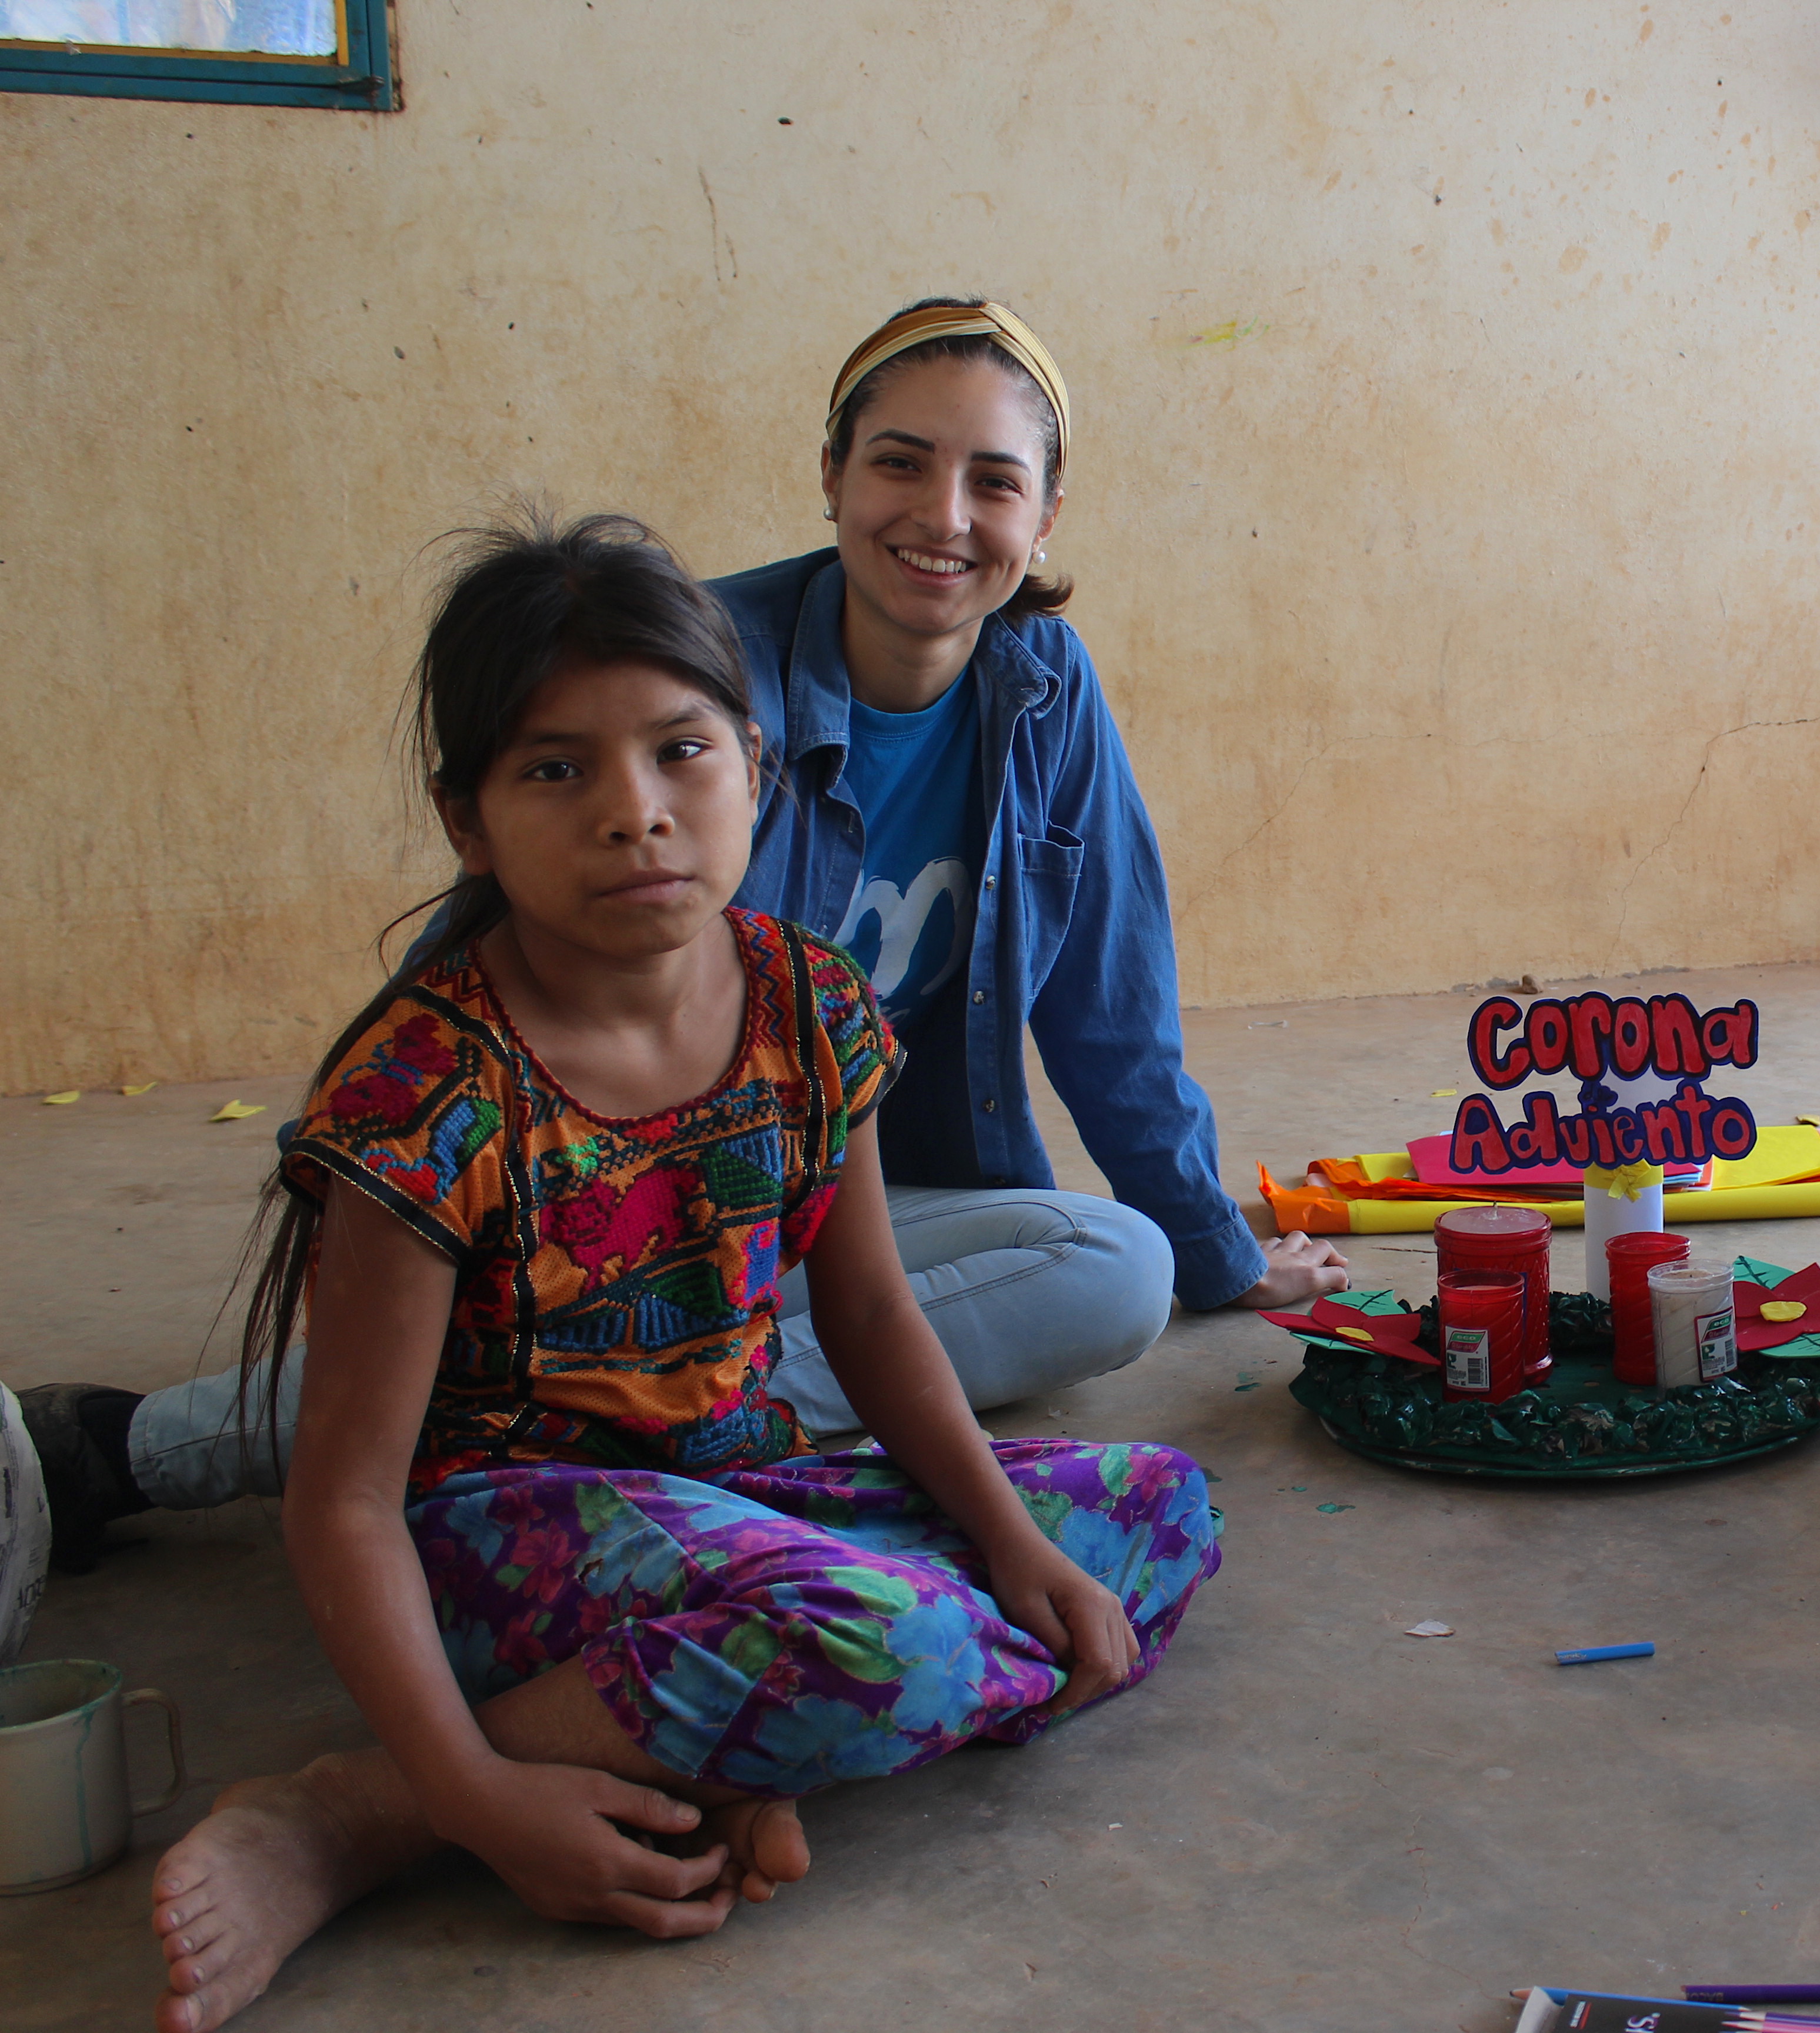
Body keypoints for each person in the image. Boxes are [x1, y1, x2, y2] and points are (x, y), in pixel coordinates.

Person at [26, 297, 1346, 1566]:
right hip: (586, 1197)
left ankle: (616, 1429)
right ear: (830, 473)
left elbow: (1114, 1008)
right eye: (900, 463)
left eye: (995, 482)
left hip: (816, 1211)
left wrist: (1218, 1257)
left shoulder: (1046, 686)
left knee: (1117, 1269)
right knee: (538, 1329)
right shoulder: (696, 677)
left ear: (1046, 514)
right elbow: (494, 979)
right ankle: (140, 1450)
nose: (943, 518)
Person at [147, 516, 1221, 2033]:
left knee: (1152, 1520)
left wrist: (1009, 1537)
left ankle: (715, 1749)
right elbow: (344, 1501)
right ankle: (368, 1813)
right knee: (893, 1642)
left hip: (742, 1491)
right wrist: (463, 1793)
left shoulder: (802, 996)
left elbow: (863, 1313)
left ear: (757, 768)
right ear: (469, 822)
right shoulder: (427, 1088)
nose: (634, 814)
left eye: (681, 752)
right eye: (556, 769)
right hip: (508, 1538)